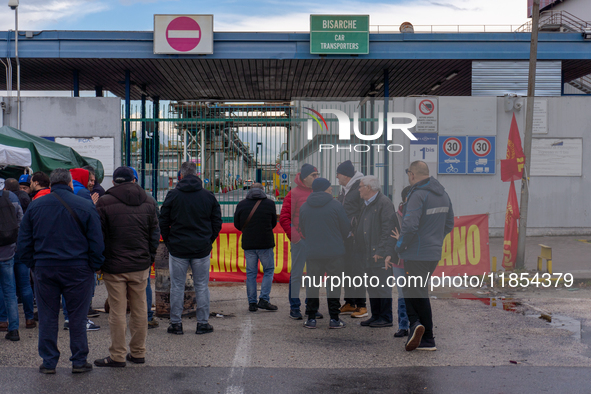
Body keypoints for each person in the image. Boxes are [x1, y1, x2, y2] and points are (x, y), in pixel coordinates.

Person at [18, 168, 104, 374]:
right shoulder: (85, 205)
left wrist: (34, 263)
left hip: (45, 268)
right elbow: (97, 243)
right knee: (77, 316)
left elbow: (23, 243)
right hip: (78, 268)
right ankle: (79, 360)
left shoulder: (36, 206)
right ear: (70, 183)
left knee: (47, 316)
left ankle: (49, 362)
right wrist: (93, 265)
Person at [94, 166, 159, 368]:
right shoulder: (149, 201)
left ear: (113, 182)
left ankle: (118, 355)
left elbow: (99, 237)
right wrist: (149, 257)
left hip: (114, 266)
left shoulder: (104, 202)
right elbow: (154, 234)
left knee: (118, 311)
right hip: (140, 265)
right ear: (133, 180)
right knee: (140, 309)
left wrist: (100, 262)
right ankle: (138, 352)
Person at [392, 161, 454, 352]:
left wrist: (399, 247)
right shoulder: (443, 194)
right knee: (415, 291)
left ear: (412, 174)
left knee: (415, 293)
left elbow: (409, 226)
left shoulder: (417, 195)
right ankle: (416, 327)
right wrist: (434, 241)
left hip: (416, 253)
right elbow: (449, 224)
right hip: (432, 253)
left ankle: (425, 335)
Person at [159, 162, 222, 335]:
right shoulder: (208, 196)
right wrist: (208, 240)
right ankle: (202, 323)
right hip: (201, 248)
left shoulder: (173, 195)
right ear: (197, 174)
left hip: (178, 248)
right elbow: (217, 221)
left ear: (181, 175)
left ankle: (176, 324)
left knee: (177, 286)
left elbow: (163, 220)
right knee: (201, 285)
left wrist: (169, 241)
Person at [299, 178, 350, 329]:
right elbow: (345, 228)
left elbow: (303, 228)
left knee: (313, 285)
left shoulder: (304, 207)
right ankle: (334, 318)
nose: (331, 190)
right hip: (334, 252)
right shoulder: (336, 205)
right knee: (334, 285)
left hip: (313, 252)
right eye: (329, 188)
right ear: (325, 189)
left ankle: (311, 318)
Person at [279, 163, 323, 320]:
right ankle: (294, 307)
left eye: (317, 174)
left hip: (316, 242)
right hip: (300, 242)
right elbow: (284, 218)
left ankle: (311, 307)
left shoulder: (319, 193)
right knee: (297, 275)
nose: (317, 177)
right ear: (305, 178)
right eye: (314, 175)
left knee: (314, 275)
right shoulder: (293, 194)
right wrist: (296, 238)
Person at [355, 175, 396, 328]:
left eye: (360, 186)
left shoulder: (384, 203)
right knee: (372, 286)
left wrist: (381, 250)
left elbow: (388, 229)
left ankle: (385, 317)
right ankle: (376, 315)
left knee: (382, 286)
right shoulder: (366, 204)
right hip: (367, 253)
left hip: (379, 254)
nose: (358, 189)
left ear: (369, 188)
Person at [234, 183, 278, 312]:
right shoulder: (270, 204)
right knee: (269, 270)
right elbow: (273, 223)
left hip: (249, 243)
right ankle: (264, 299)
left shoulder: (242, 204)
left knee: (251, 273)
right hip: (265, 242)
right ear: (263, 191)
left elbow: (237, 224)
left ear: (250, 191)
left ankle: (252, 303)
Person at [0, 179, 35, 330]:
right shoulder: (13, 198)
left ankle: (3, 320)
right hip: (14, 248)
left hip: (5, 251)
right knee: (22, 285)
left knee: (3, 288)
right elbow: (21, 223)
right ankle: (27, 319)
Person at [335, 160, 367, 318]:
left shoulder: (358, 189)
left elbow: (363, 213)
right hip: (345, 238)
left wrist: (355, 231)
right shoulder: (345, 190)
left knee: (357, 271)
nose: (336, 177)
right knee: (347, 270)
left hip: (355, 238)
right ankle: (350, 302)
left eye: (338, 174)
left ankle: (361, 305)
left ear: (346, 175)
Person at [0, 187, 23, 341]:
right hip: (8, 250)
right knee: (10, 291)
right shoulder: (12, 197)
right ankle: (14, 329)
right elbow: (21, 222)